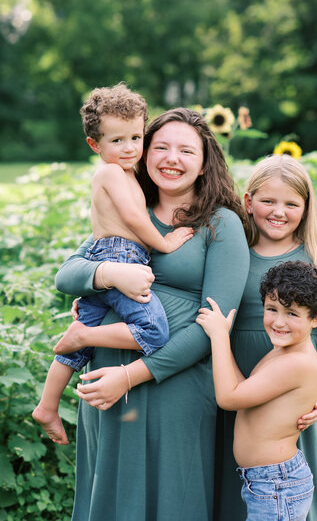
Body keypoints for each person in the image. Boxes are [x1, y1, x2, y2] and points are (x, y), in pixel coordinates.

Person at [53, 107, 250, 520]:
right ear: (143, 151)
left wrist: (129, 374)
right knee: (112, 495)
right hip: (105, 384)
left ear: (203, 163)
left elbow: (215, 326)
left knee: (172, 498)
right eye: (160, 146)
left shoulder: (221, 224)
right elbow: (68, 274)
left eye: (185, 150)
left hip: (173, 384)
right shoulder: (128, 209)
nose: (171, 159)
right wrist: (109, 273)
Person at [33, 84, 193, 446]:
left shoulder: (130, 174)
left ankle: (47, 405)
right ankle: (83, 336)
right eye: (117, 140)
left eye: (136, 137)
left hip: (111, 258)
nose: (130, 148)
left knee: (77, 351)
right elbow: (136, 222)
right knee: (154, 332)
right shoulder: (109, 174)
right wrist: (165, 241)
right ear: (96, 145)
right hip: (119, 256)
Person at [216, 154, 317, 521]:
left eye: (291, 204)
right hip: (236, 381)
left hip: (298, 401)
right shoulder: (232, 253)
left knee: (291, 498)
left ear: (306, 208)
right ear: (249, 202)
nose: (278, 212)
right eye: (268, 201)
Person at [197, 261, 317, 521]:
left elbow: (228, 397)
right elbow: (242, 393)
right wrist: (223, 335)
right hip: (269, 481)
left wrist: (218, 337)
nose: (278, 322)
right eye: (272, 309)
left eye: (292, 314)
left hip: (277, 483)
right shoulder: (283, 352)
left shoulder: (297, 362)